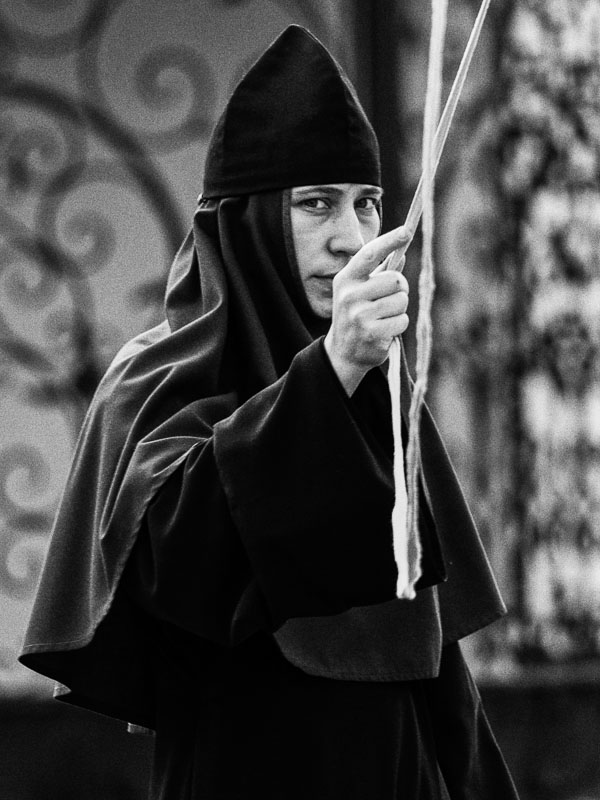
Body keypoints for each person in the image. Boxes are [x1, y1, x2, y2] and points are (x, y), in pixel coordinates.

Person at [20, 24, 520, 800]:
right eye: (316, 205)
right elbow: (179, 565)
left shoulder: (380, 390)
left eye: (366, 204)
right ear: (249, 219)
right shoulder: (157, 375)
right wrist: (331, 370)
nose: (350, 238)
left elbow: (437, 668)